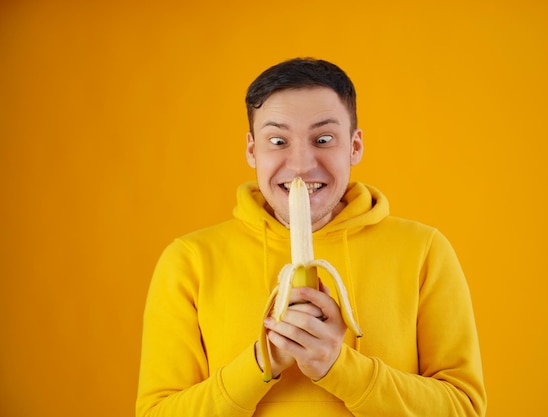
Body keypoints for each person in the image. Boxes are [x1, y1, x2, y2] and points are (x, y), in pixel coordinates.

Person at [136, 57, 487, 417]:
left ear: (354, 146)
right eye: (277, 140)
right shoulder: (189, 260)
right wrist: (263, 361)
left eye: (323, 139)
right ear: (252, 150)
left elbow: (463, 408)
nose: (302, 164)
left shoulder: (424, 251)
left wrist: (339, 366)